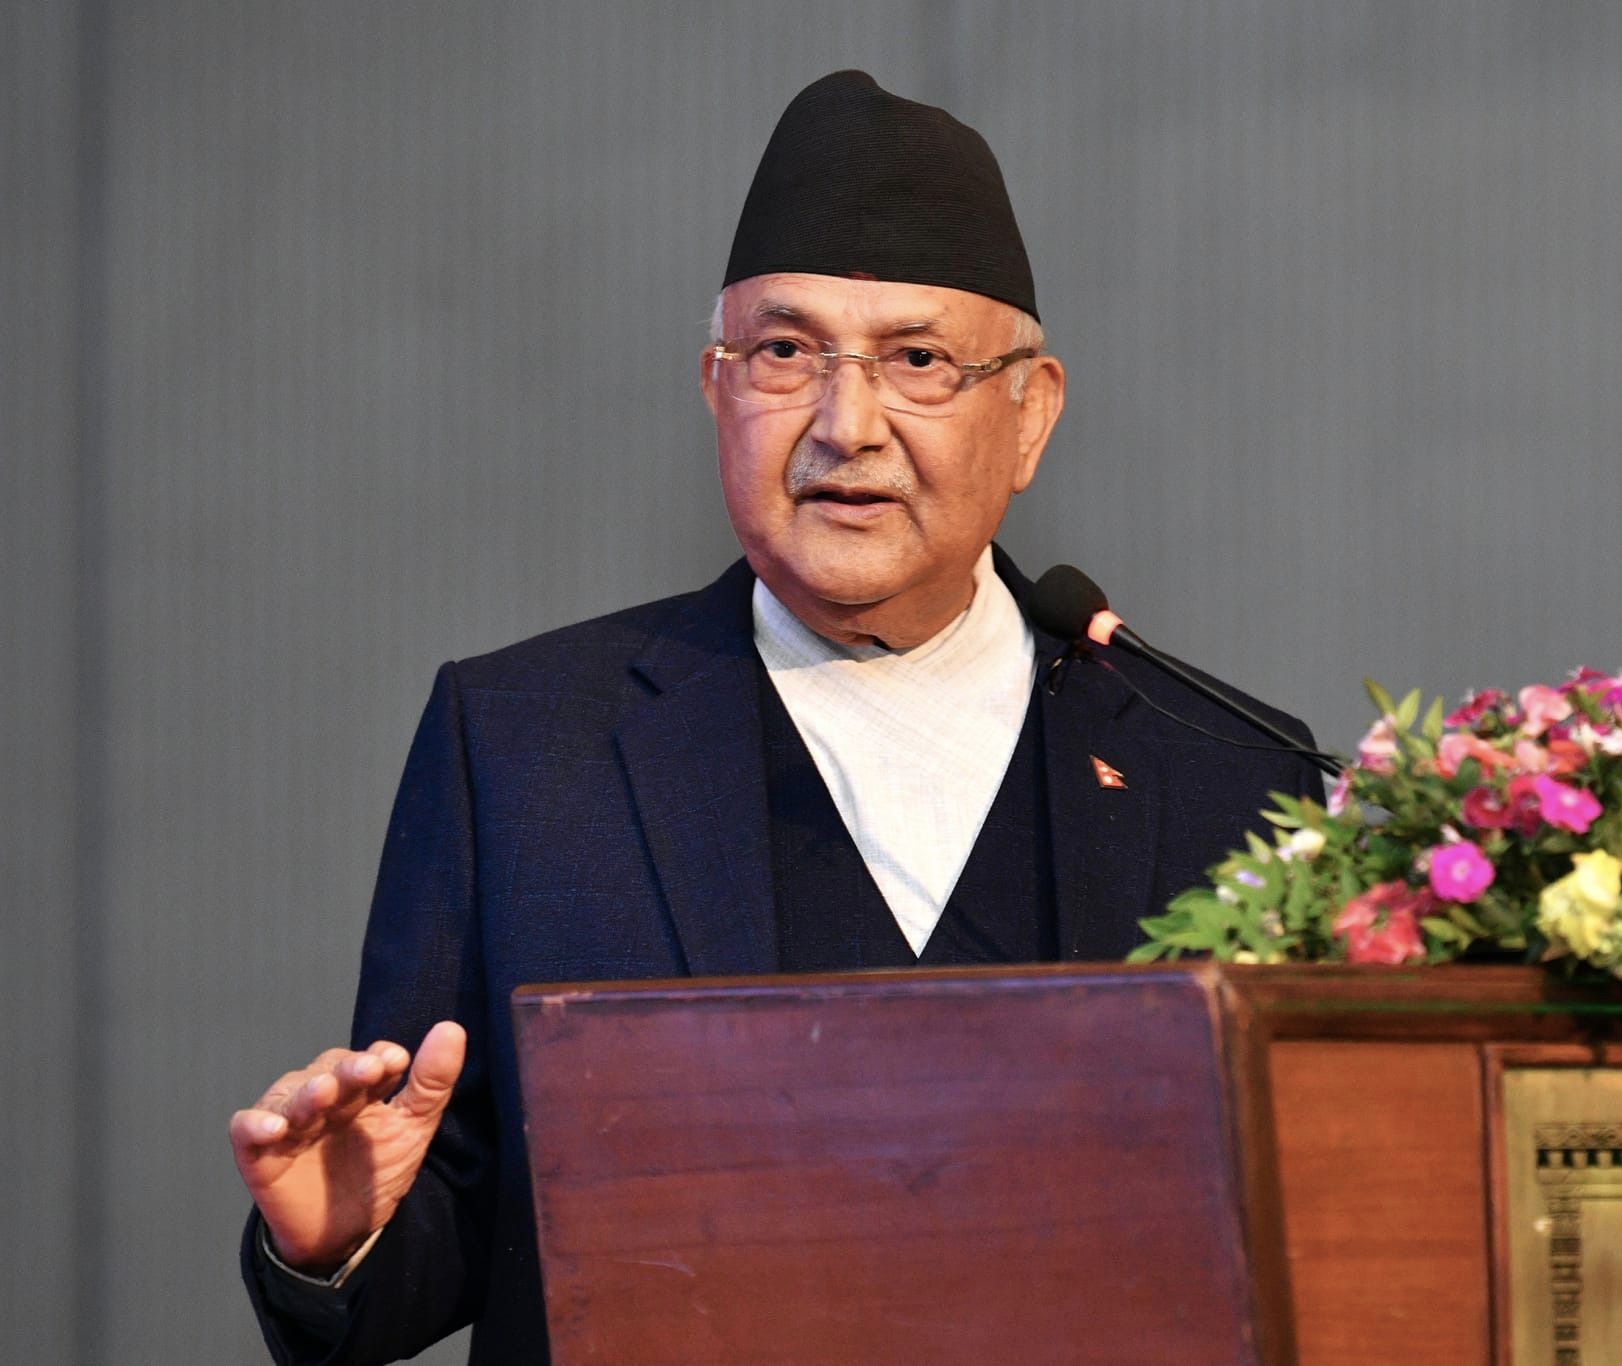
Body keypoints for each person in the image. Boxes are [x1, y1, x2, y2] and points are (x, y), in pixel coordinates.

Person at [229, 70, 1322, 1364]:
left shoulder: (1227, 773)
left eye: (918, 361)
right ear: (715, 387)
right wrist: (336, 1242)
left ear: (1029, 414)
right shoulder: (524, 744)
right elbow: (444, 1212)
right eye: (786, 354)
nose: (845, 426)